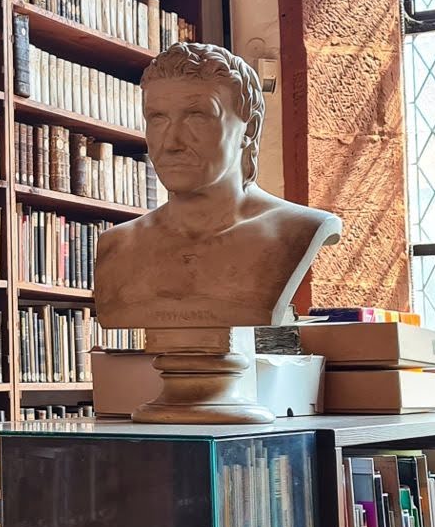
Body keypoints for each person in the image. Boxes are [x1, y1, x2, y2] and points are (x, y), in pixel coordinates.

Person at [94, 43, 340, 331]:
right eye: (157, 118)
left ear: (249, 129)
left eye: (197, 116)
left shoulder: (296, 230)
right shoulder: (117, 245)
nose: (171, 142)